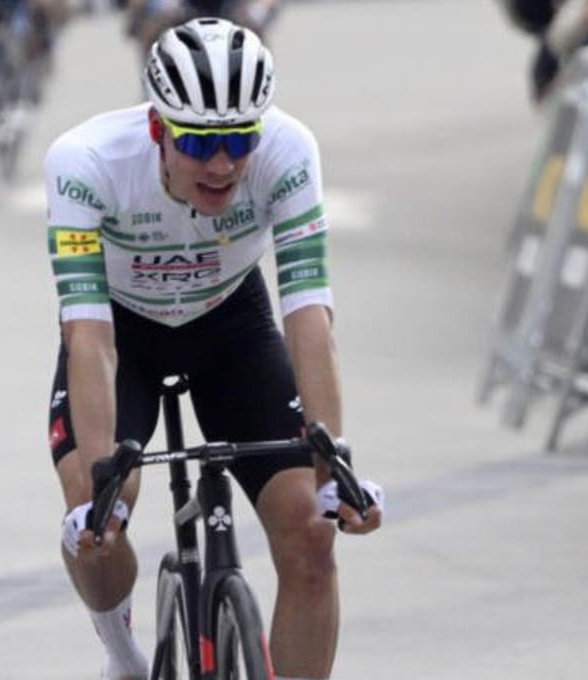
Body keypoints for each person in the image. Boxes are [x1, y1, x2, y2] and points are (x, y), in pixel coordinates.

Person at [43, 18, 383, 680]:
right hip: (122, 332)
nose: (222, 163)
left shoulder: (289, 151)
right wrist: (101, 487)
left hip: (232, 325)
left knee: (312, 536)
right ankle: (124, 657)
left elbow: (309, 316)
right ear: (158, 129)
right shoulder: (85, 163)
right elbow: (89, 336)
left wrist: (333, 469)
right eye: (200, 142)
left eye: (238, 139)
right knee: (97, 512)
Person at [125, 0, 281, 67]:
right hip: (178, 12)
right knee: (157, 31)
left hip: (230, 10)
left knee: (251, 38)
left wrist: (258, 10)